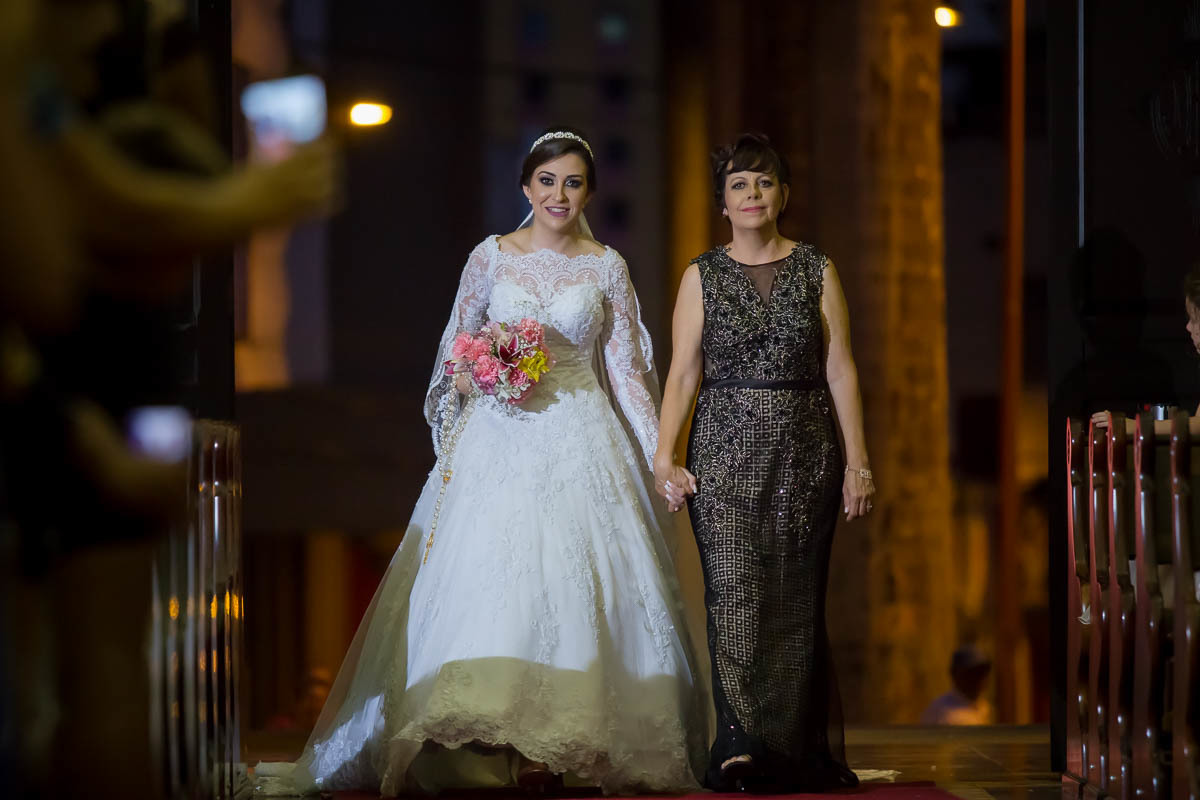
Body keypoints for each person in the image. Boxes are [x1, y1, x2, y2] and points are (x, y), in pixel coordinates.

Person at [255, 127, 707, 796]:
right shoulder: (491, 257)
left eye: (573, 182)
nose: (559, 194)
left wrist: (660, 456)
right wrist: (479, 372)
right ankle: (498, 740)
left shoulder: (606, 266)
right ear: (526, 187)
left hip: (582, 433)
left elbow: (628, 374)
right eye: (547, 181)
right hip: (501, 437)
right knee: (496, 582)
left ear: (588, 193)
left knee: (577, 584)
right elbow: (455, 352)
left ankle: (556, 749)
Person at [654, 132, 873, 792]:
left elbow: (841, 369)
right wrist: (664, 455)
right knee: (733, 595)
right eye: (739, 185)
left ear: (783, 195)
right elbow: (683, 373)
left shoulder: (817, 268)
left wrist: (858, 463)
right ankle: (738, 744)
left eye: (764, 182)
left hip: (806, 454)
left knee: (793, 601)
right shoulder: (701, 274)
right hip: (722, 454)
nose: (752, 194)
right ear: (722, 203)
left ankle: (785, 747)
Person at [919, 646, 994, 725]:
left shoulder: (983, 706)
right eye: (972, 673)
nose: (979, 678)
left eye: (982, 672)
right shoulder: (945, 715)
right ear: (955, 675)